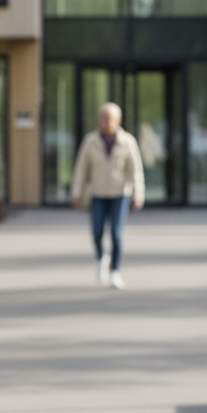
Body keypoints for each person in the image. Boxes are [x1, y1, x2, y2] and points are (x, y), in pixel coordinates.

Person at [71, 102, 145, 289]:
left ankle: (115, 272)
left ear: (117, 121)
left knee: (116, 234)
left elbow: (136, 170)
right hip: (98, 194)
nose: (105, 122)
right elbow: (81, 169)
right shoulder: (90, 141)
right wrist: (76, 192)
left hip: (120, 194)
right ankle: (102, 257)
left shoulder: (128, 141)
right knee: (96, 231)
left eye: (109, 119)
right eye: (102, 118)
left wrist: (138, 194)